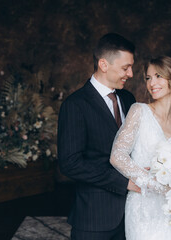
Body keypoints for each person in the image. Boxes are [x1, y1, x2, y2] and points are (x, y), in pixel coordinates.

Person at [57, 33, 140, 240]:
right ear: (103, 64)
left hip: (133, 214)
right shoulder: (75, 104)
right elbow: (70, 163)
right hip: (94, 217)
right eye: (125, 68)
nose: (130, 74)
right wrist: (123, 182)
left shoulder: (128, 99)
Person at [110, 56, 171, 240]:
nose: (152, 83)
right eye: (149, 78)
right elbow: (117, 156)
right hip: (142, 208)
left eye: (158, 76)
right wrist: (155, 184)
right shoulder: (139, 111)